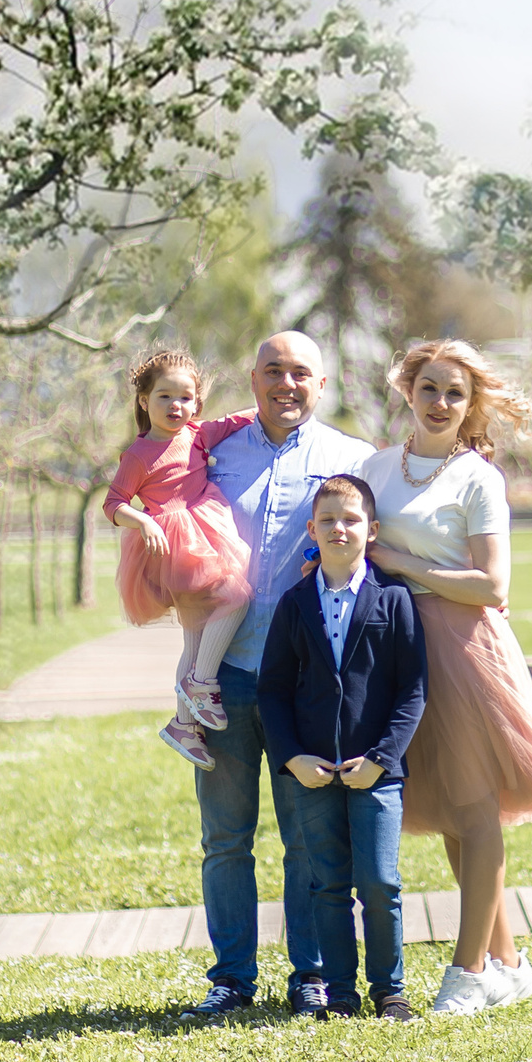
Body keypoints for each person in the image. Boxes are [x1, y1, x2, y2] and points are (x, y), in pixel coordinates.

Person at [362, 338, 532, 1016]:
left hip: (465, 651)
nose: (440, 402)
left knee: (477, 809)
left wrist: (401, 561)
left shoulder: (478, 478)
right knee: (456, 814)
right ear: (408, 389)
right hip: (399, 647)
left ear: (470, 403)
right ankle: (509, 963)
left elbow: (491, 584)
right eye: (429, 388)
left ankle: (466, 971)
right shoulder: (376, 467)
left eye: (455, 392)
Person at [182, 331, 370, 1019]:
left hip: (305, 684)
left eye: (301, 373)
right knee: (225, 838)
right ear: (252, 379)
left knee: (307, 838)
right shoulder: (215, 458)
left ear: (322, 386)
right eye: (273, 371)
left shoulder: (352, 461)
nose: (286, 384)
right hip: (224, 675)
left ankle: (310, 975)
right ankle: (231, 977)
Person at [256, 474, 427, 1023]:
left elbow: (413, 689)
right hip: (312, 772)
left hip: (377, 771)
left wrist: (381, 758)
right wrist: (290, 759)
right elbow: (273, 690)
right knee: (326, 883)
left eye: (351, 519)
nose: (339, 528)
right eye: (327, 519)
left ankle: (389, 989)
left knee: (380, 882)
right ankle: (340, 990)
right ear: (311, 529)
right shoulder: (293, 604)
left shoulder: (394, 601)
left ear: (371, 531)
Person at [103, 348, 257, 766]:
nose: (176, 406)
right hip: (173, 544)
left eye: (186, 398)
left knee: (194, 634)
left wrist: (271, 404)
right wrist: (143, 522)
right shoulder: (138, 454)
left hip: (205, 533)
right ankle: (202, 683)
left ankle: (183, 726)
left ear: (196, 403)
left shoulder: (198, 435)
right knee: (237, 597)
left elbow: (240, 418)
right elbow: (113, 503)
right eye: (165, 397)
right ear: (144, 401)